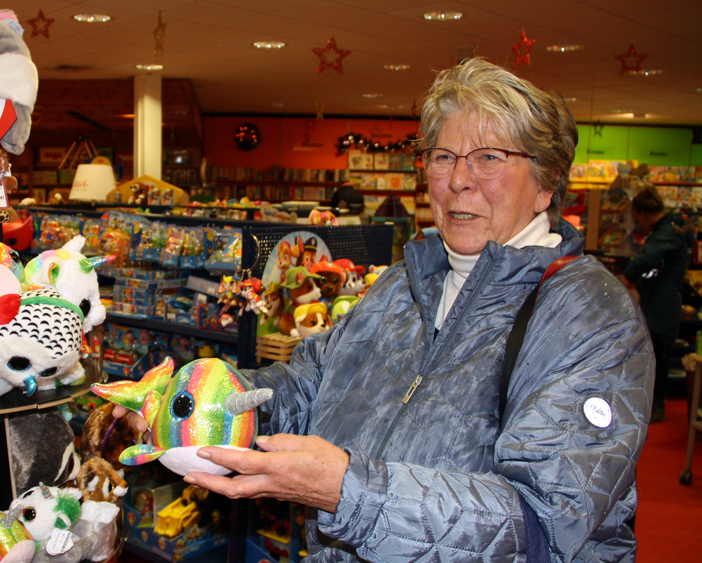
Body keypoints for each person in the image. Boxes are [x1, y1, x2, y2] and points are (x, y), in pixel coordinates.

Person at [116, 58, 653, 562]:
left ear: (547, 183)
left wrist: (351, 492)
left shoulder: (588, 314)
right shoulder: (403, 283)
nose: (458, 179)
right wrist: (198, 403)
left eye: (489, 157)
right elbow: (308, 384)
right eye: (443, 156)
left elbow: (547, 520)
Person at [624, 185, 688, 423]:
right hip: (660, 302)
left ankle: (656, 405)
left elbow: (646, 260)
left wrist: (630, 275)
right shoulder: (670, 229)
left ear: (643, 213)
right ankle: (653, 403)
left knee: (657, 357)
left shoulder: (665, 233)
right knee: (656, 355)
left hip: (661, 306)